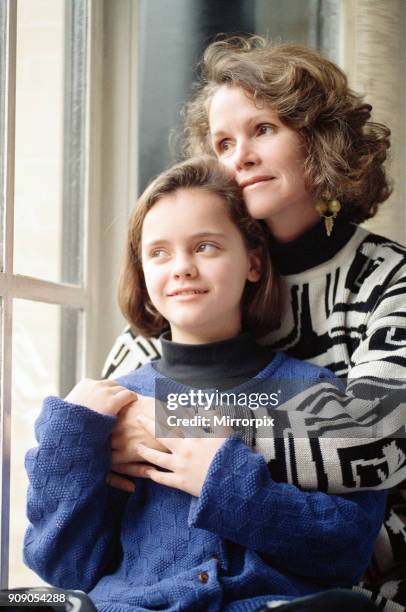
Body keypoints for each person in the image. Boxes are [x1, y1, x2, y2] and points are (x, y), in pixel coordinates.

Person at [103, 38, 406, 611]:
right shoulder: (196, 283)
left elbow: (374, 441)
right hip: (204, 583)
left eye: (263, 129)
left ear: (322, 140)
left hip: (366, 580)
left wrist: (178, 423)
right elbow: (116, 421)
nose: (238, 156)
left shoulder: (390, 280)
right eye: (223, 142)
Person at [24, 157, 385, 612]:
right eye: (159, 252)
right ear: (142, 270)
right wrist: (70, 438)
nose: (182, 268)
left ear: (253, 262)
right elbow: (68, 567)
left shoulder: (319, 393)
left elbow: (346, 551)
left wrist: (224, 481)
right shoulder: (113, 407)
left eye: (206, 247)